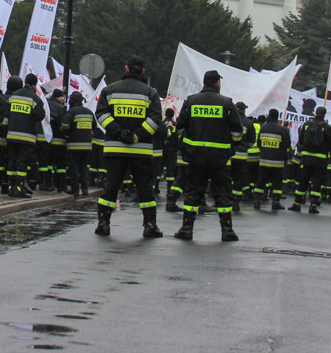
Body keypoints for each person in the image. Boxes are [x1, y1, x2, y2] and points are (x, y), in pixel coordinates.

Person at [94, 56, 164, 239]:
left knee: (111, 186)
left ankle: (103, 223)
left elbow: (101, 115)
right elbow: (156, 119)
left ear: (126, 69)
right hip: (140, 150)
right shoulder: (150, 93)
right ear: (142, 71)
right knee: (145, 188)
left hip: (114, 148)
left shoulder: (109, 90)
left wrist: (118, 132)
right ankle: (150, 225)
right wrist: (137, 135)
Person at [172, 69, 244, 241]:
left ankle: (186, 229)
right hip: (219, 159)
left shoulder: (191, 101)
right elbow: (237, 131)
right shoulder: (227, 103)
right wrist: (230, 146)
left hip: (195, 157)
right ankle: (227, 231)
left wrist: (187, 147)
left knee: (193, 193)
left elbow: (179, 127)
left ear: (204, 83)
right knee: (222, 194)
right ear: (218, 83)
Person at [5, 75, 44, 198]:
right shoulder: (35, 99)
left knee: (12, 161)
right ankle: (19, 188)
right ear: (35, 85)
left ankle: (10, 187)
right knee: (22, 162)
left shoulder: (13, 96)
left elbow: (5, 116)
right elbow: (40, 116)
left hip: (11, 135)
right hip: (27, 137)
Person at [290, 106, 331, 214]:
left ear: (315, 113)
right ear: (324, 114)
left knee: (302, 181)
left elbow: (301, 140)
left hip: (306, 158)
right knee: (316, 182)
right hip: (320, 160)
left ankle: (297, 203)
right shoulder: (327, 127)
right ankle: (313, 206)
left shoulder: (306, 125)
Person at [255, 108, 290, 210]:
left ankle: (257, 200)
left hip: (264, 160)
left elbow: (259, 143)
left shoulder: (263, 128)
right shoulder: (282, 130)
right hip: (277, 162)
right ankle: (275, 201)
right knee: (277, 183)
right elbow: (286, 145)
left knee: (260, 181)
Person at [60, 92, 94, 195]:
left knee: (73, 167)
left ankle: (75, 189)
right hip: (87, 145)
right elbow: (95, 127)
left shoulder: (72, 112)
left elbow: (65, 125)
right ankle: (85, 188)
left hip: (74, 145)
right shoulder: (89, 112)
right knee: (84, 167)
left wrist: (67, 134)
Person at [229, 101, 254, 210]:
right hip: (242, 156)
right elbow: (251, 142)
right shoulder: (248, 123)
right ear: (243, 110)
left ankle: (225, 198)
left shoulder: (229, 120)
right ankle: (236, 201)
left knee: (227, 177)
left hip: (229, 155)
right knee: (238, 179)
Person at [48, 88, 67, 191]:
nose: (63, 98)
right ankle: (60, 185)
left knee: (49, 162)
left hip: (47, 139)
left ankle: (47, 182)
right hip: (59, 139)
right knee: (60, 164)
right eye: (62, 96)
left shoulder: (47, 104)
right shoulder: (60, 108)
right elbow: (62, 124)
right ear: (59, 97)